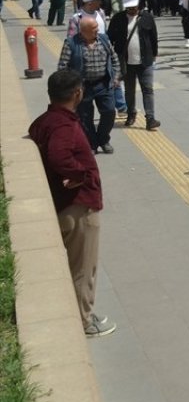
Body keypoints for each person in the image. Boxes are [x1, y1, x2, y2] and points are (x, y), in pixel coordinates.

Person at [28, 69, 116, 337]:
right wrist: (79, 175)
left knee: (78, 266)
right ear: (77, 93)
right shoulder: (64, 126)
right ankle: (83, 321)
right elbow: (58, 156)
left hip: (64, 203)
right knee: (83, 267)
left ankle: (82, 312)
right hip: (77, 207)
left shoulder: (44, 120)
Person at [56, 17, 120, 154]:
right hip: (82, 87)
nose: (97, 30)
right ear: (84, 31)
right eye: (94, 28)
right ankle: (92, 143)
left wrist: (115, 77)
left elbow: (114, 59)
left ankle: (103, 139)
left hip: (103, 84)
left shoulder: (104, 39)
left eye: (97, 27)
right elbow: (62, 67)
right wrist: (72, 86)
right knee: (85, 118)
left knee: (109, 112)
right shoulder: (71, 43)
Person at [106, 0, 160, 131]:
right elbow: (109, 39)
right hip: (126, 62)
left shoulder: (147, 17)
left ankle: (150, 118)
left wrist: (154, 54)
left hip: (145, 60)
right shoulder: (118, 19)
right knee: (129, 91)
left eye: (134, 7)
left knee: (147, 89)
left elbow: (153, 37)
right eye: (129, 7)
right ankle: (131, 113)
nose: (132, 10)